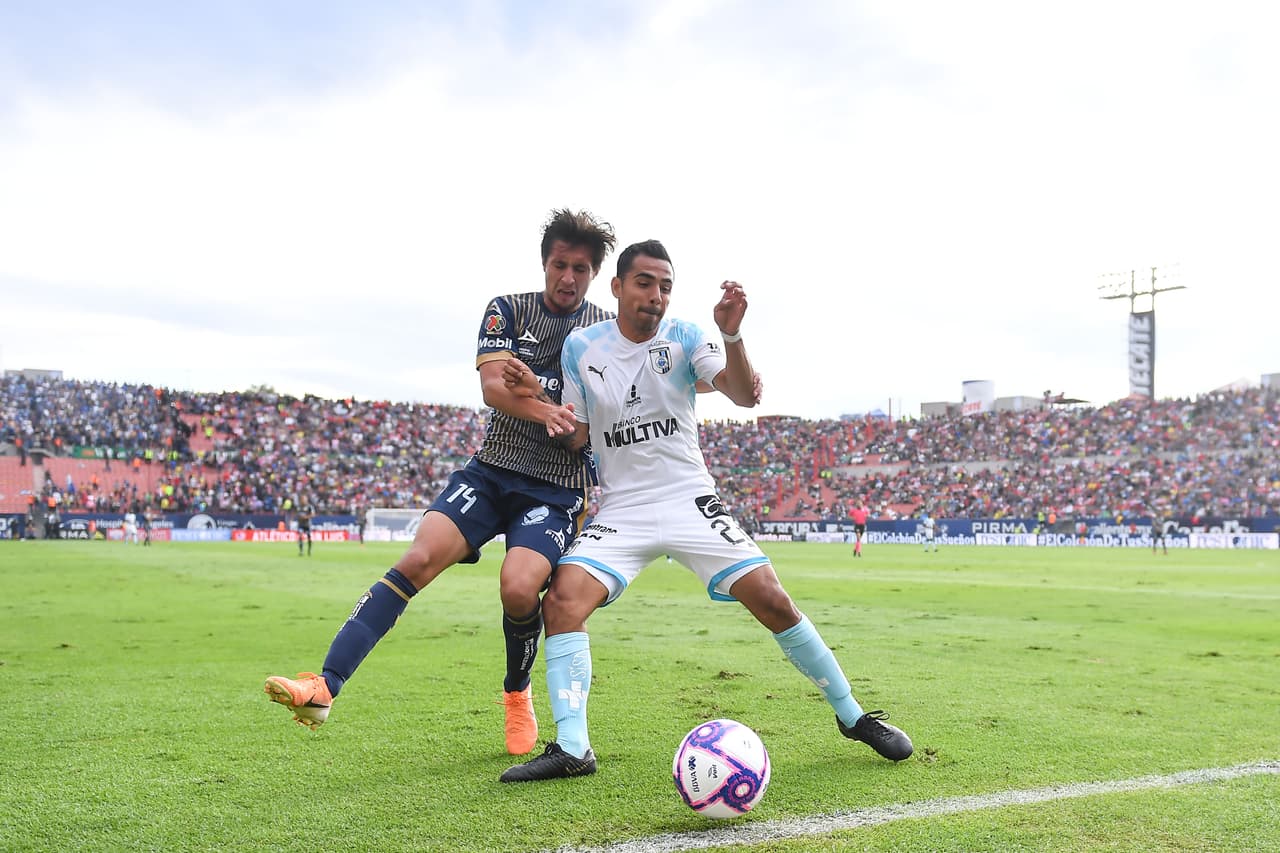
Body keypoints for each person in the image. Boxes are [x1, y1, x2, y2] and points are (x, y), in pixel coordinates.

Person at [498, 239, 912, 783]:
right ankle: (574, 748)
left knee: (773, 599)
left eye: (666, 286)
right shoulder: (582, 346)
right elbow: (578, 435)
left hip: (689, 498)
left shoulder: (688, 336)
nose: (656, 296)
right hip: (622, 508)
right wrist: (543, 400)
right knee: (563, 602)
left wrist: (732, 335)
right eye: (644, 283)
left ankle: (853, 715)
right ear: (618, 287)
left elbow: (742, 395)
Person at [264, 209, 619, 756]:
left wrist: (547, 401)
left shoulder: (604, 333)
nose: (567, 278)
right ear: (544, 262)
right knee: (418, 559)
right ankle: (324, 685)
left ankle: (516, 692)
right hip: (494, 468)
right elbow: (494, 389)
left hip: (556, 486)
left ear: (595, 273)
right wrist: (545, 407)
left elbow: (595, 417)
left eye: (580, 268)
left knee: (520, 588)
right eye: (559, 265)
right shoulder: (508, 310)